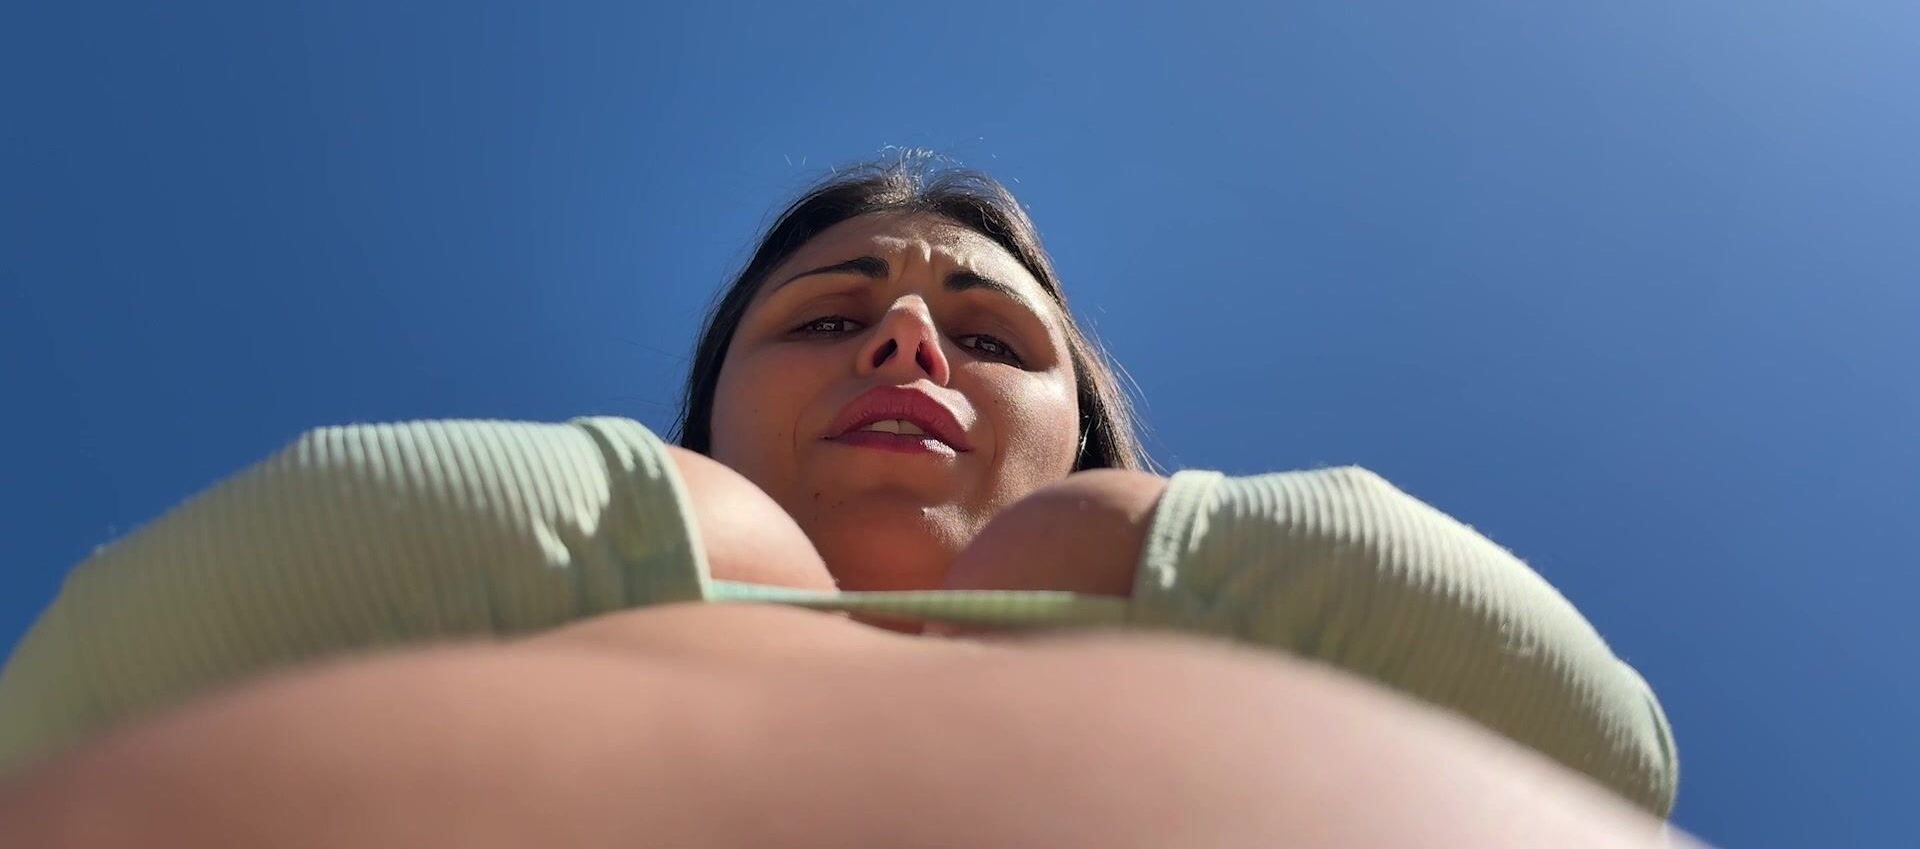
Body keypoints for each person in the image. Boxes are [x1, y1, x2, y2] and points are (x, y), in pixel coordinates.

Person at [0, 155, 1703, 846]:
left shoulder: (1170, 544)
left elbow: (1617, 761)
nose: (905, 333)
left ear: (1082, 420)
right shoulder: (640, 523)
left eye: (990, 333)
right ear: (716, 402)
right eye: (828, 315)